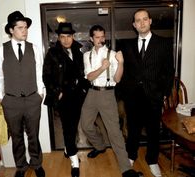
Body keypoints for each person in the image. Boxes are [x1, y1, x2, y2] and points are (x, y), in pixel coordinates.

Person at [80, 24, 141, 177]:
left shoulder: (113, 54)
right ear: (91, 39)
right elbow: (89, 77)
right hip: (92, 93)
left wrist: (120, 63)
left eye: (103, 36)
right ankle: (100, 146)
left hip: (107, 94)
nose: (101, 40)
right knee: (86, 125)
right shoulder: (86, 55)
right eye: (97, 37)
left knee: (114, 132)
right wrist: (102, 68)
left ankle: (126, 169)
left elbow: (117, 79)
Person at [119, 9, 174, 177]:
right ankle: (131, 156)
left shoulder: (163, 43)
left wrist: (164, 93)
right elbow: (125, 72)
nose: (142, 23)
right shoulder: (127, 45)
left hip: (153, 96)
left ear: (150, 21)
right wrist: (125, 92)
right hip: (133, 96)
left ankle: (152, 160)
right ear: (134, 25)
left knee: (153, 131)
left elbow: (168, 71)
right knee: (133, 129)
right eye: (138, 20)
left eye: (145, 19)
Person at [0, 11, 45, 177]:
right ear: (11, 30)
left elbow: (39, 73)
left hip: (32, 99)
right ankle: (21, 167)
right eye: (21, 28)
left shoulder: (34, 48)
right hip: (11, 101)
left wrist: (40, 94)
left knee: (33, 136)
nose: (25, 30)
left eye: (26, 27)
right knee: (16, 137)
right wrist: (1, 97)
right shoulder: (1, 50)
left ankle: (36, 164)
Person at [43, 22, 87, 177]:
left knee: (72, 126)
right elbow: (46, 77)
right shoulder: (52, 53)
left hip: (77, 96)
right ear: (58, 38)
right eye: (63, 36)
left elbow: (82, 75)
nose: (66, 40)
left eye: (69, 36)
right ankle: (74, 161)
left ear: (73, 37)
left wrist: (83, 89)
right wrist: (57, 92)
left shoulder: (79, 53)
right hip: (63, 97)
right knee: (68, 127)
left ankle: (68, 149)